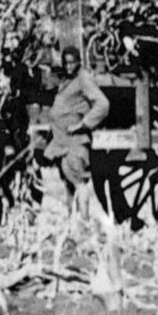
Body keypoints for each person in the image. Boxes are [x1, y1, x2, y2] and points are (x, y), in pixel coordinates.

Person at [44, 47, 109, 220]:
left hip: (76, 140)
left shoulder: (83, 78)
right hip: (62, 141)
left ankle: (85, 221)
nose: (69, 66)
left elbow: (102, 104)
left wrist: (83, 124)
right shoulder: (68, 80)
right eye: (66, 63)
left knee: (80, 182)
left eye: (73, 62)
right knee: (68, 181)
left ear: (79, 61)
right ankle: (72, 220)